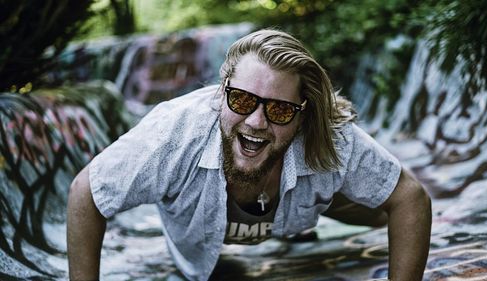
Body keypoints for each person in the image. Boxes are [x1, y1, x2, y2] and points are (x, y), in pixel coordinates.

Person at [67, 29, 432, 281]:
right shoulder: (172, 136)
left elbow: (410, 198)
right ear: (221, 92)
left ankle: (311, 212)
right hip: (197, 235)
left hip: (311, 203)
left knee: (378, 216)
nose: (256, 121)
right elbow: (87, 191)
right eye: (241, 100)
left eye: (280, 110)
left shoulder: (330, 136)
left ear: (302, 113)